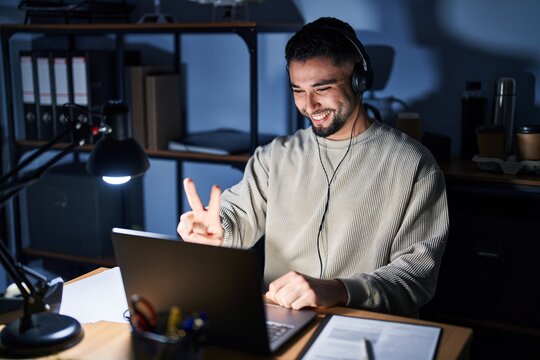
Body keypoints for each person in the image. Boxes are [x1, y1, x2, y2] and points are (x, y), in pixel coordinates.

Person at [178, 17, 448, 317]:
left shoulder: (414, 165)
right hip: (282, 320)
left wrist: (339, 289)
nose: (309, 105)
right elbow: (234, 218)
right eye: (298, 90)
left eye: (323, 88)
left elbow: (417, 279)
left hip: (364, 324)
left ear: (359, 80)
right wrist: (219, 232)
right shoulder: (273, 157)